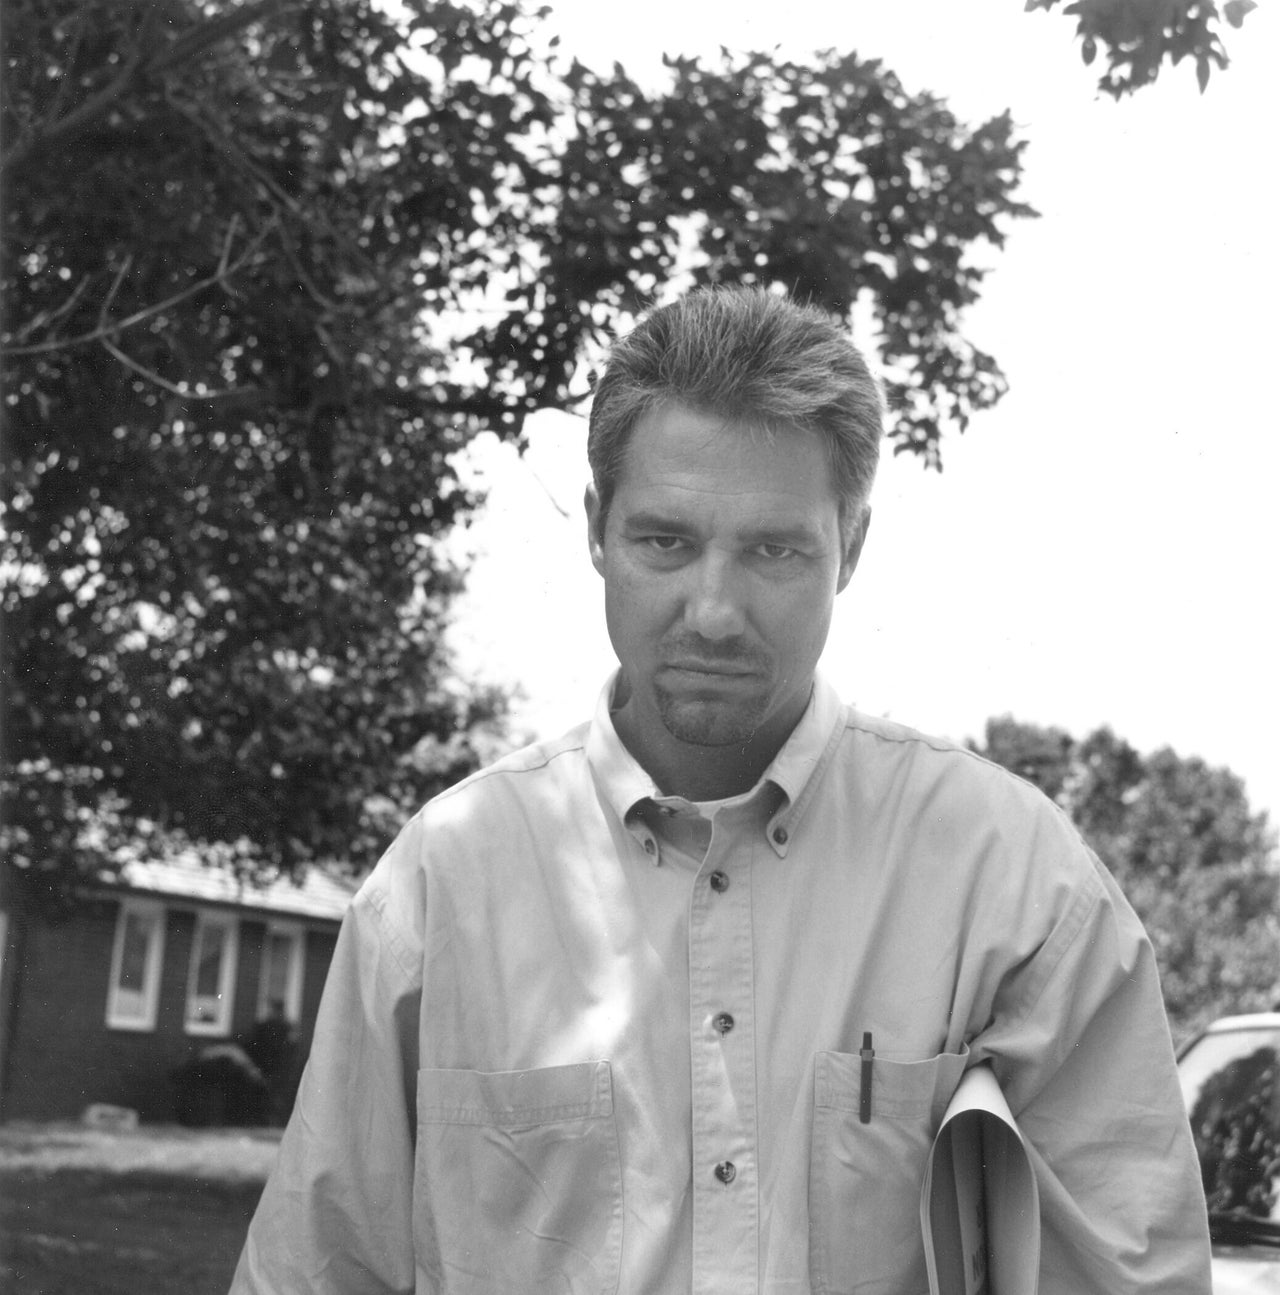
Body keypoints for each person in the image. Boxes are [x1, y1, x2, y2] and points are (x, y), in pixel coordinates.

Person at [229, 287, 1211, 1293]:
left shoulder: (1013, 884)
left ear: (851, 547)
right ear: (598, 528)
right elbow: (317, 1269)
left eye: (772, 550)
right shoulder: (440, 887)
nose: (711, 610)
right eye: (665, 540)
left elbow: (1133, 1273)